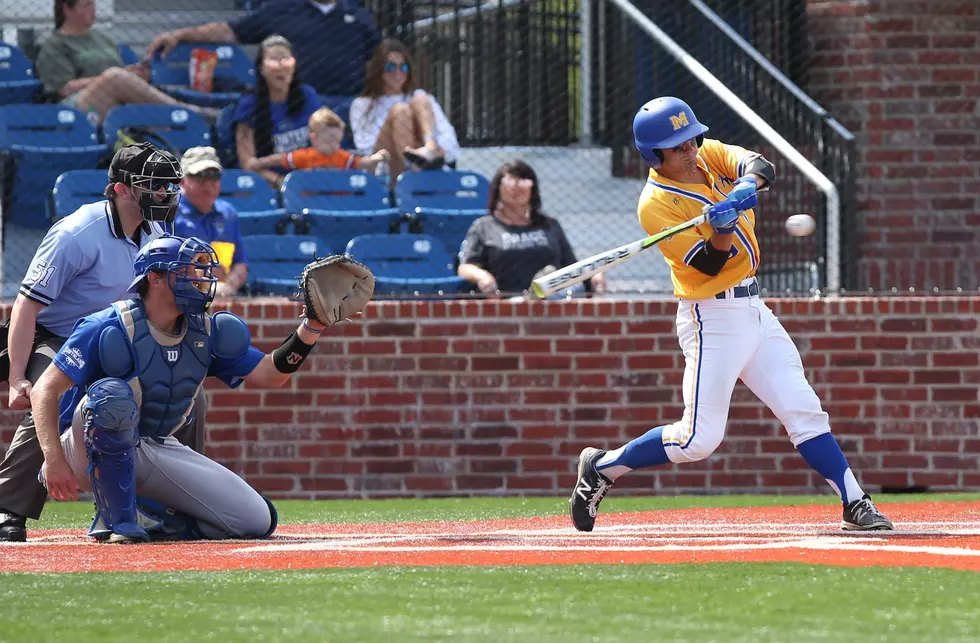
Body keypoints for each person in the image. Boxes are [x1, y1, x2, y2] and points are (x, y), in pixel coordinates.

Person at [567, 96, 893, 533]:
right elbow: (707, 265)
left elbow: (760, 165)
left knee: (804, 411)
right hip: (711, 319)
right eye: (677, 145)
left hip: (755, 310)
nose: (690, 149)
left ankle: (855, 501)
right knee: (697, 440)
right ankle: (603, 467)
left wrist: (744, 189)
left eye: (691, 139)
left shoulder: (709, 155)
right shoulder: (655, 204)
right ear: (654, 153)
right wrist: (720, 231)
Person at [29, 235, 332, 543]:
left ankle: (157, 518)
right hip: (83, 447)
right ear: (155, 278)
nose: (202, 278)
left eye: (203, 269)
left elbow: (270, 376)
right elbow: (44, 390)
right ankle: (119, 521)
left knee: (256, 520)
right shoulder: (108, 325)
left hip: (153, 444)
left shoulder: (207, 330)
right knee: (111, 397)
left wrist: (312, 327)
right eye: (190, 269)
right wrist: (53, 458)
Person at [0, 142, 205, 542]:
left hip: (120, 336)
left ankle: (177, 505)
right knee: (58, 393)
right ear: (120, 189)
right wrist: (15, 378)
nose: (164, 195)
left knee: (186, 391)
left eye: (168, 186)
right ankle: (8, 507)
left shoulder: (158, 232)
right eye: (153, 186)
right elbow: (26, 307)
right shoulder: (77, 232)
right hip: (57, 334)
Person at [146, 0, 380, 97]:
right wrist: (180, 35)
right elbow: (230, 31)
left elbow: (375, 62)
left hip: (350, 103)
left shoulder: (358, 15)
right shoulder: (282, 9)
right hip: (292, 104)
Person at [35, 0, 217, 123]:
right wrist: (109, 79)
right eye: (87, 4)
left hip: (115, 95)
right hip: (76, 107)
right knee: (114, 77)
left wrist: (135, 74)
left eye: (93, 3)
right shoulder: (55, 44)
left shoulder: (103, 39)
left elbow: (119, 74)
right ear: (68, 9)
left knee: (120, 76)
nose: (93, 9)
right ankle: (190, 112)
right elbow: (64, 88)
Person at [458, 160, 606, 298]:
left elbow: (571, 265)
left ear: (533, 189)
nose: (516, 188)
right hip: (507, 300)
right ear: (498, 188)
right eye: (509, 181)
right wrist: (482, 276)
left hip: (552, 298)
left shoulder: (549, 225)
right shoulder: (483, 226)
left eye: (523, 182)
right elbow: (465, 267)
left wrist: (593, 275)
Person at [349, 39, 461, 184]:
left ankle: (428, 151)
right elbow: (366, 149)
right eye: (391, 66)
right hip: (387, 166)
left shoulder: (423, 99)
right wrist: (401, 136)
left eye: (404, 67)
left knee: (420, 98)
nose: (398, 72)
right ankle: (414, 166)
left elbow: (450, 142)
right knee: (401, 110)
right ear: (379, 69)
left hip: (427, 158)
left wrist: (432, 149)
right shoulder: (363, 104)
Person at [231, 35, 321, 190]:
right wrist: (281, 182)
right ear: (261, 68)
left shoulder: (308, 97)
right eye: (273, 60)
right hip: (265, 185)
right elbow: (248, 163)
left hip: (307, 181)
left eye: (285, 59)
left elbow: (322, 145)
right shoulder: (248, 106)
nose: (281, 66)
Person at [173, 146, 248, 298]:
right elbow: (164, 269)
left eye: (214, 176)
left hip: (224, 298)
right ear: (182, 180)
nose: (208, 183)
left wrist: (230, 285)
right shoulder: (168, 214)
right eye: (200, 176)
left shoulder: (228, 214)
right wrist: (207, 285)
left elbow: (240, 263)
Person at [245, 106, 389, 183]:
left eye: (337, 141)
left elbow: (361, 163)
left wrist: (375, 158)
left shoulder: (342, 156)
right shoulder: (305, 156)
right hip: (310, 199)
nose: (333, 146)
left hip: (338, 198)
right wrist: (258, 163)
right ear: (314, 139)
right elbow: (280, 159)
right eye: (328, 141)